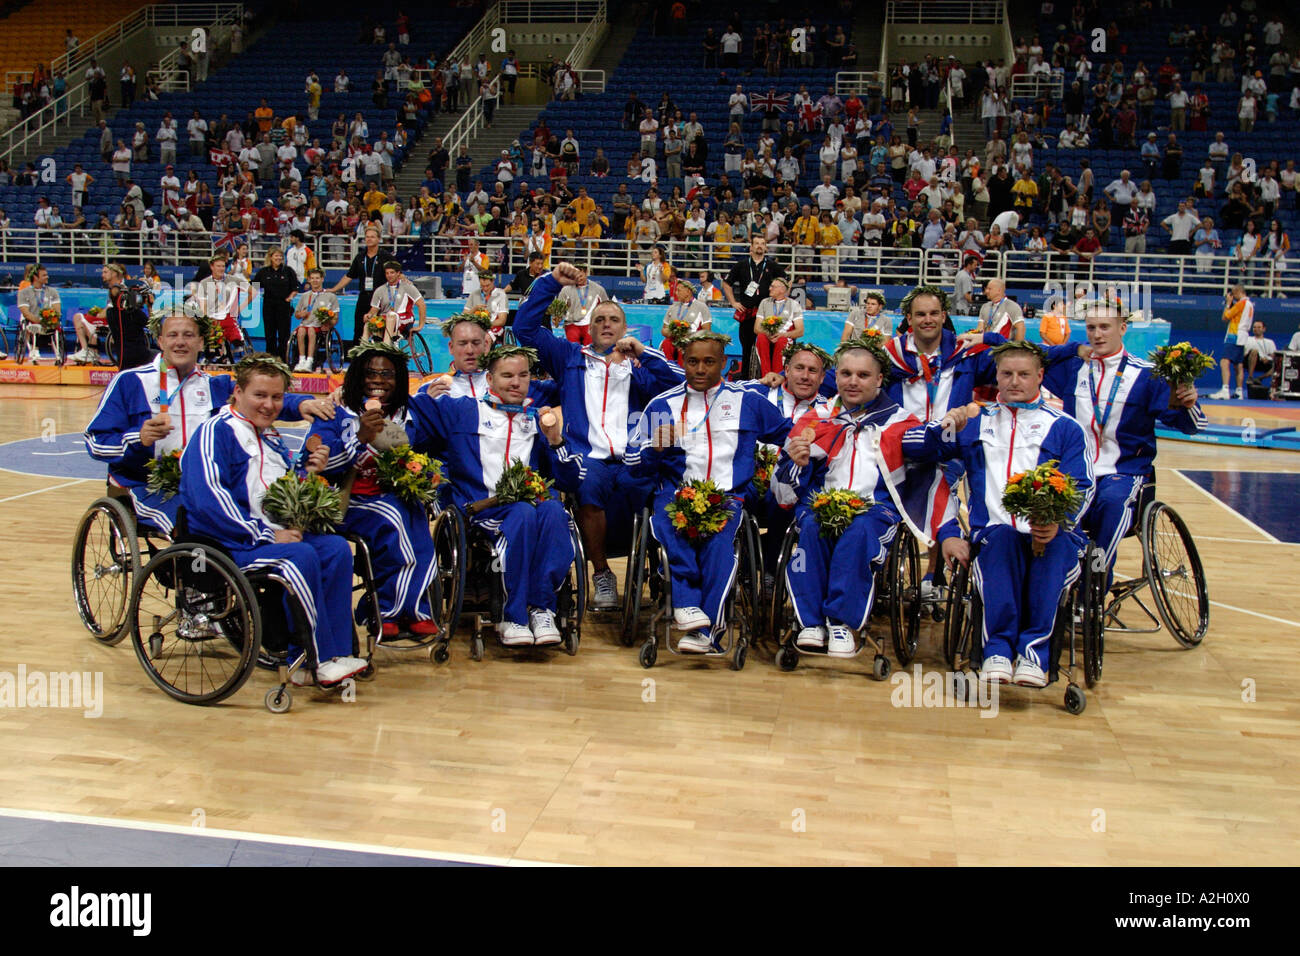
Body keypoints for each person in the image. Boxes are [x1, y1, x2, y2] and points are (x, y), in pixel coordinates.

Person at [901, 341, 1095, 687]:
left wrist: (1057, 521)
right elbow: (918, 454)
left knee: (1054, 553)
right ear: (997, 377)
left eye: (1023, 374)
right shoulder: (975, 423)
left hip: (1052, 532)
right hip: (993, 533)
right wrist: (947, 423)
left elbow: (1081, 485)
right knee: (1001, 541)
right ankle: (998, 652)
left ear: (1040, 376)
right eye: (1006, 374)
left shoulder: (1065, 427)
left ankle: (1034, 654)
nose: (1014, 381)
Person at [180, 354, 367, 686]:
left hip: (272, 536)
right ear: (237, 392)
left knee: (336, 549)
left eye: (277, 397)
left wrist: (309, 473)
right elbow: (209, 501)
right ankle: (312, 657)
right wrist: (266, 534)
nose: (269, 405)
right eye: (260, 396)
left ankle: (338, 653)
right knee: (302, 556)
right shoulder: (214, 433)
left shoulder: (271, 437)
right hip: (229, 543)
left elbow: (282, 493)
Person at [992, 300, 1205, 591]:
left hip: (1122, 473)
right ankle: (1056, 579)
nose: (1098, 335)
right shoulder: (1073, 368)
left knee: (1111, 504)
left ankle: (1095, 582)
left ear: (1123, 328)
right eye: (1091, 328)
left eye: (1105, 327)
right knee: (1048, 505)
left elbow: (1191, 426)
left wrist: (1189, 401)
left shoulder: (1146, 376)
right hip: (1074, 472)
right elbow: (1030, 355)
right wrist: (1073, 348)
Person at [513, 263, 682, 608]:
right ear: (589, 328)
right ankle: (602, 574)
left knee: (655, 492)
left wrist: (643, 354)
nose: (607, 324)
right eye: (600, 320)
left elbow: (679, 382)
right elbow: (525, 328)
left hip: (635, 458)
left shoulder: (639, 368)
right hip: (587, 457)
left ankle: (659, 567)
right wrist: (551, 284)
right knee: (587, 485)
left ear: (625, 328)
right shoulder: (570, 357)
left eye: (614, 320)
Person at [86, 317, 331, 536]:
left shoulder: (214, 385)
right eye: (173, 335)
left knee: (256, 514)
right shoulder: (130, 382)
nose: (180, 342)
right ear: (160, 340)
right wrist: (138, 438)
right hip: (146, 485)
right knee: (199, 523)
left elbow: (257, 394)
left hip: (206, 481)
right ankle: (196, 579)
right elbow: (95, 442)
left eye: (188, 335)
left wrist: (301, 405)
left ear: (201, 342)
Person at [626, 332, 792, 652]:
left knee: (719, 545)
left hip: (727, 496)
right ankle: (687, 603)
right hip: (676, 494)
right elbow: (632, 463)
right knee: (670, 524)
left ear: (724, 364)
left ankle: (707, 632)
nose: (700, 369)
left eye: (709, 362)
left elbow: (789, 433)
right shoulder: (662, 405)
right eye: (692, 361)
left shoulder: (748, 401)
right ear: (682, 362)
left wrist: (807, 442)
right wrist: (654, 450)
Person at [406, 344, 578, 645]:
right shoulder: (464, 411)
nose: (516, 382)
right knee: (524, 514)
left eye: (523, 375)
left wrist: (555, 440)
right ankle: (512, 616)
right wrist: (355, 395)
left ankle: (541, 608)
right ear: (489, 379)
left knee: (553, 511)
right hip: (481, 510)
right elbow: (407, 405)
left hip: (528, 506)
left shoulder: (537, 419)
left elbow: (569, 479)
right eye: (507, 375)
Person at [778, 336, 921, 655]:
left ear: (879, 379)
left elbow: (930, 463)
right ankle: (810, 623)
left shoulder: (902, 422)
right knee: (812, 530)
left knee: (857, 534)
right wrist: (796, 462)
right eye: (846, 374)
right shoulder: (818, 417)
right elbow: (783, 483)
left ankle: (840, 623)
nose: (853, 381)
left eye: (863, 375)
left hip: (875, 510)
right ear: (836, 377)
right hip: (822, 504)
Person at [302, 343, 438, 638]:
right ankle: (386, 609)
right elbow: (315, 464)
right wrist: (360, 437)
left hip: (397, 498)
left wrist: (430, 476)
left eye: (387, 374)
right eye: (370, 373)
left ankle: (415, 609)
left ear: (400, 378)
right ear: (356, 377)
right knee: (396, 517)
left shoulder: (412, 412)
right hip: (348, 501)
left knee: (414, 519)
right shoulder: (337, 414)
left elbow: (438, 448)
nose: (378, 380)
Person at [722, 235, 787, 376]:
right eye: (756, 243)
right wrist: (733, 302)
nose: (759, 246)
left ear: (766, 248)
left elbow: (787, 282)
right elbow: (726, 283)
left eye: (762, 243)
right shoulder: (742, 265)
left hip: (768, 313)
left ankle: (769, 376)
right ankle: (746, 380)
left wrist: (782, 298)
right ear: (751, 247)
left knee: (770, 345)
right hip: (747, 311)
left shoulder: (772, 266)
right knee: (747, 349)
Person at [328, 225, 384, 351]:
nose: (369, 239)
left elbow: (396, 273)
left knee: (379, 328)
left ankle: (379, 355)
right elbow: (349, 275)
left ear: (379, 239)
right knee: (358, 328)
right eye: (367, 237)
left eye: (372, 237)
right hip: (364, 296)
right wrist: (334, 289)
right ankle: (356, 357)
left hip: (380, 298)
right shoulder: (360, 257)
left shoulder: (385, 256)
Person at [364, 260, 427, 345]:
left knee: (391, 315)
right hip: (385, 318)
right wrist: (369, 315)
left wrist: (420, 326)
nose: (389, 275)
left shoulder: (408, 287)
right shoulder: (380, 290)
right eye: (387, 273)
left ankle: (386, 346)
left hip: (404, 319)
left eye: (392, 273)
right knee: (369, 324)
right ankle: (363, 351)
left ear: (398, 273)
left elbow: (422, 305)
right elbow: (374, 310)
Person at [253, 248, 299, 362]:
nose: (278, 258)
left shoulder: (288, 271)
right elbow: (254, 286)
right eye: (276, 256)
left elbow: (295, 288)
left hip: (284, 305)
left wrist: (290, 298)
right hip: (269, 305)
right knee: (270, 334)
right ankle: (270, 358)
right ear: (270, 257)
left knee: (284, 334)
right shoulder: (263, 272)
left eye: (280, 256)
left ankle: (283, 359)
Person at [752, 276, 804, 375]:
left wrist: (782, 335)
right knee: (761, 337)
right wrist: (768, 334)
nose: (769, 288)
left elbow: (800, 331)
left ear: (782, 289)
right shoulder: (764, 302)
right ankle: (766, 375)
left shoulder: (794, 304)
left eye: (773, 287)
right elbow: (757, 328)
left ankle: (778, 375)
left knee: (782, 341)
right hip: (767, 335)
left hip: (784, 336)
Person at [292, 267, 340, 372]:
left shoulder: (330, 296)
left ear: (322, 279)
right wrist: (301, 314)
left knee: (310, 330)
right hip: (306, 324)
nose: (315, 280)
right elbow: (296, 314)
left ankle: (310, 360)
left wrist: (329, 324)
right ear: (308, 280)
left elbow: (335, 317)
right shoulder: (304, 296)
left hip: (319, 326)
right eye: (312, 278)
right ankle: (301, 360)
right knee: (301, 330)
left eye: (317, 278)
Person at [1212, 284, 1254, 399]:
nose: (1232, 296)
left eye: (1233, 293)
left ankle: (1225, 390)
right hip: (1243, 336)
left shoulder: (1241, 303)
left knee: (1224, 362)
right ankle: (1239, 391)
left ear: (1238, 291)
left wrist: (1228, 303)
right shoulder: (1250, 304)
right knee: (1238, 365)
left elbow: (1225, 317)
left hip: (1234, 335)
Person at [552, 264, 608, 345]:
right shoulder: (565, 290)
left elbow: (607, 307)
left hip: (591, 325)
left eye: (581, 275)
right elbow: (558, 311)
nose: (578, 278)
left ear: (586, 273)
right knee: (573, 348)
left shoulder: (598, 289)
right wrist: (557, 318)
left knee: (590, 349)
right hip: (572, 324)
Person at [16, 264, 61, 363]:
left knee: (56, 326)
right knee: (28, 324)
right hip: (32, 321)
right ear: (36, 277)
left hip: (48, 322)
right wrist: (39, 321)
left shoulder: (53, 292)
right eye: (44, 275)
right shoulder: (23, 293)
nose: (47, 277)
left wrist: (49, 320)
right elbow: (26, 313)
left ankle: (57, 355)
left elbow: (57, 311)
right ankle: (33, 349)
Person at [659, 278, 711, 360]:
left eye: (678, 290)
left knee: (683, 347)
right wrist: (673, 333)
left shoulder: (701, 307)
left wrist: (688, 336)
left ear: (688, 292)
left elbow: (707, 331)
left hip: (691, 341)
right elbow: (664, 329)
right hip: (673, 339)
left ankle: (681, 371)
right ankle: (668, 369)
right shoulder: (672, 307)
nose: (676, 293)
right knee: (666, 344)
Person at [464, 269, 510, 341]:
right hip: (475, 327)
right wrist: (474, 309)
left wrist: (485, 325)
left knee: (484, 339)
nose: (485, 288)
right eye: (482, 286)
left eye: (487, 285)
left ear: (493, 281)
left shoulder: (501, 294)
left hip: (493, 327)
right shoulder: (474, 294)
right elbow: (464, 316)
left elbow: (502, 320)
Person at [1244, 319, 1277, 385]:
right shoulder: (1247, 339)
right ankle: (1250, 377)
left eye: (1259, 327)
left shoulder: (1269, 342)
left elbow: (1273, 356)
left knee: (1278, 365)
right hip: (1249, 361)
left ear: (1264, 329)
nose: (1256, 329)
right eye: (1254, 327)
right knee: (1254, 351)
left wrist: (1267, 359)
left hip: (1264, 363)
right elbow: (1244, 354)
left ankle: (1259, 378)